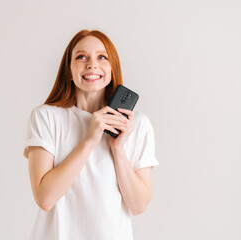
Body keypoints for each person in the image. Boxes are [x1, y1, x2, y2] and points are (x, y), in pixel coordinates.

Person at [23, 29, 159, 240]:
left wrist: (118, 149)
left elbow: (138, 205)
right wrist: (89, 140)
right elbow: (44, 198)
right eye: (81, 57)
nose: (91, 64)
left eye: (102, 57)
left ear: (112, 68)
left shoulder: (137, 125)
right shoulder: (45, 117)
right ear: (68, 70)